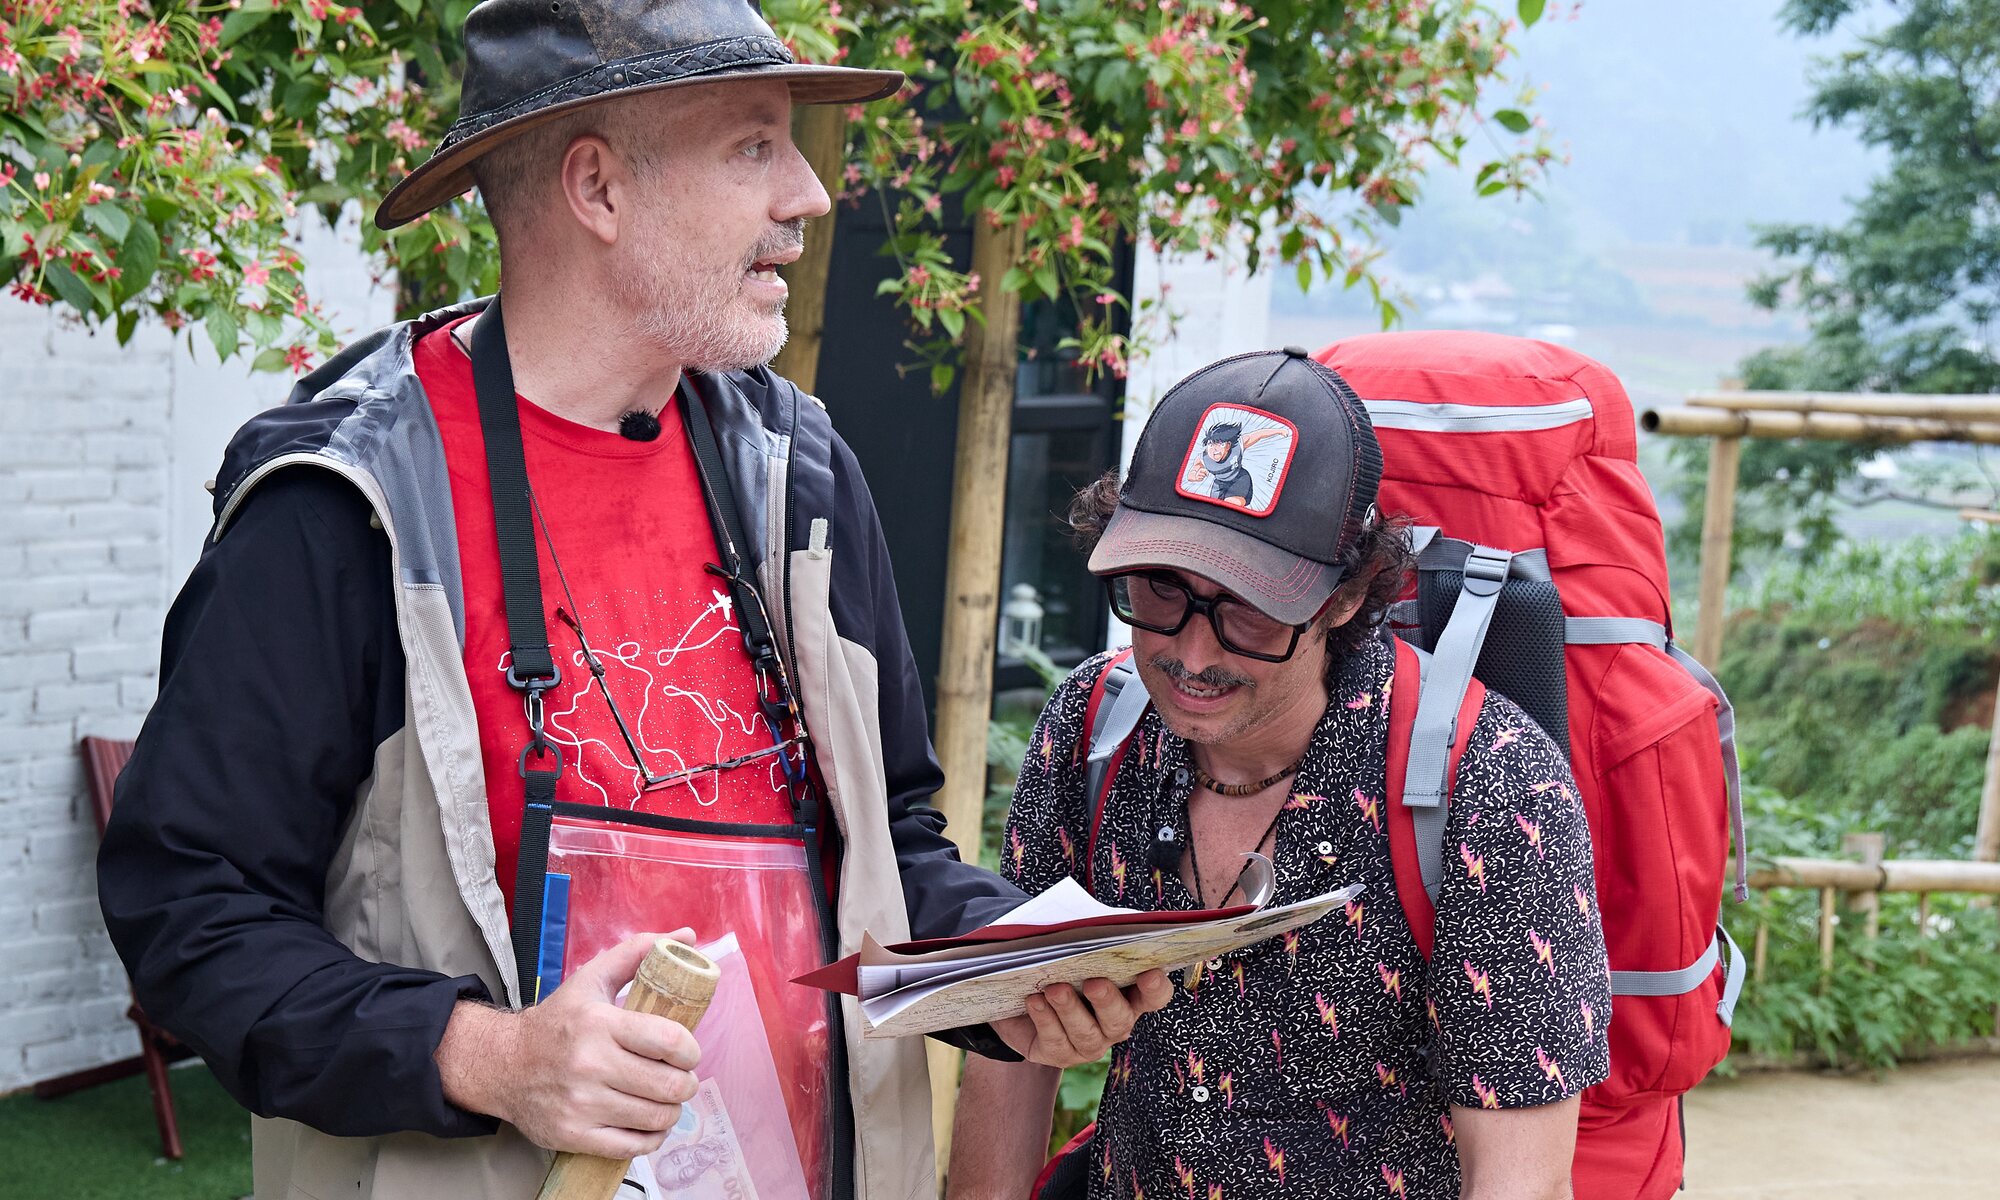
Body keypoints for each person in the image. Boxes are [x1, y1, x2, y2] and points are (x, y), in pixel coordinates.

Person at [96, 2, 1169, 1198]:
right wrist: (490, 1056)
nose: (809, 196)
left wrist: (1014, 971)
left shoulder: (800, 472)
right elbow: (192, 911)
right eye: (754, 146)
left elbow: (888, 849)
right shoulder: (344, 502)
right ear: (597, 189)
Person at [948, 349, 1612, 1200]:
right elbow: (1015, 1049)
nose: (1191, 654)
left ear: (1345, 597)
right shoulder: (1092, 729)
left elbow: (1519, 1180)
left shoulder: (1491, 789)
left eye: (1248, 611)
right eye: (1159, 589)